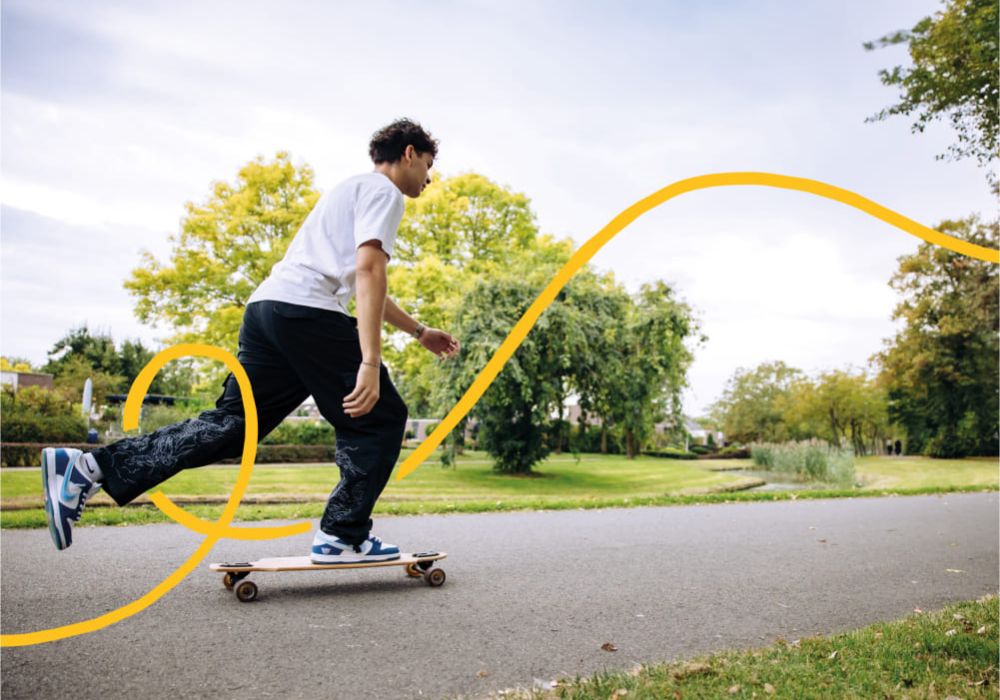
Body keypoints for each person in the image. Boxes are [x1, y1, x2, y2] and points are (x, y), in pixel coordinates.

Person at [42, 119, 460, 564]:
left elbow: (362, 284)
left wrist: (418, 331)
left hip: (268, 311)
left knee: (234, 426)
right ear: (409, 153)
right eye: (429, 166)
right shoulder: (384, 192)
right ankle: (343, 534)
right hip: (305, 314)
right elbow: (368, 273)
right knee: (381, 415)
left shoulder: (347, 190)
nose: (429, 179)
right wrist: (370, 362)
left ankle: (87, 467)